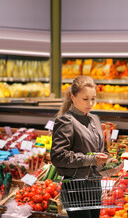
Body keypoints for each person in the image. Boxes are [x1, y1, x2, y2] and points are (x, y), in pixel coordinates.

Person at [51, 75, 110, 218]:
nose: (90, 103)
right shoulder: (65, 121)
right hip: (75, 188)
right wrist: (91, 160)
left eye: (93, 99)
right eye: (85, 99)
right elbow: (58, 156)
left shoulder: (95, 119)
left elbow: (102, 149)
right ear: (72, 96)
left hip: (94, 186)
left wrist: (109, 160)